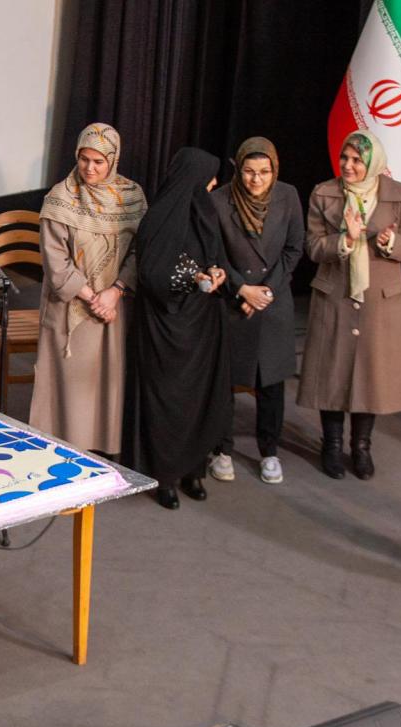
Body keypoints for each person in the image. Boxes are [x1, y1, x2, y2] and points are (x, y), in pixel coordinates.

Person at [299, 130, 401, 480]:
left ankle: (361, 447)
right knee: (332, 371)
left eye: (357, 160)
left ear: (373, 162)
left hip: (380, 299)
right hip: (335, 293)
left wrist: (391, 242)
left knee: (371, 374)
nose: (348, 165)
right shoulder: (324, 192)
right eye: (344, 158)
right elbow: (313, 247)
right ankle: (332, 445)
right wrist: (346, 239)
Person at [30, 122, 147, 456]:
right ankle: (64, 453)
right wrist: (94, 298)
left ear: (113, 160)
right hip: (71, 307)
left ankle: (104, 452)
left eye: (98, 161)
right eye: (84, 159)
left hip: (115, 307)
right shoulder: (60, 199)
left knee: (105, 384)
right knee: (70, 389)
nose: (90, 168)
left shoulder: (132, 196)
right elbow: (56, 262)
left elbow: (141, 251)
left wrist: (116, 291)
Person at [133, 148, 232, 510]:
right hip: (165, 326)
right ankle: (165, 476)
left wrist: (217, 272)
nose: (214, 183)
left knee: (199, 400)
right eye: (209, 177)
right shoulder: (159, 217)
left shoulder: (206, 213)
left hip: (202, 324)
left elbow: (215, 257)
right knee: (168, 400)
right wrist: (191, 276)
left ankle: (194, 470)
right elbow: (151, 273)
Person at [207, 137, 305, 485]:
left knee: (271, 382)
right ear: (239, 168)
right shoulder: (219, 200)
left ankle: (269, 452)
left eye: (264, 172)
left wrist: (265, 291)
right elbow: (214, 253)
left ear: (274, 170)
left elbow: (294, 249)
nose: (256, 179)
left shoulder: (288, 195)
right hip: (232, 301)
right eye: (249, 171)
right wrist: (242, 289)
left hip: (272, 301)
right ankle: (222, 450)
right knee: (226, 380)